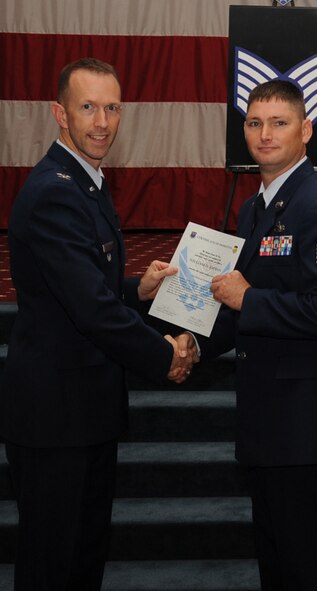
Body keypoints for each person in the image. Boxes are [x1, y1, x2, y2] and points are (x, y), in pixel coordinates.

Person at [0, 57, 196, 591]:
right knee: (52, 563)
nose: (102, 121)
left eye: (111, 108)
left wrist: (139, 289)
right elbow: (89, 309)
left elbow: (86, 288)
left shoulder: (85, 182)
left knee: (83, 556)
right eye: (88, 107)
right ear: (59, 113)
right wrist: (165, 355)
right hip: (54, 415)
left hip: (82, 409)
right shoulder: (55, 191)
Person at [199, 79, 317, 590]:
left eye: (279, 122)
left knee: (309, 570)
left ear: (305, 130)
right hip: (271, 428)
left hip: (309, 433)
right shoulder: (254, 209)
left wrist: (248, 298)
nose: (265, 134)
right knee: (279, 569)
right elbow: (239, 311)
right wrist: (190, 344)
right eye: (254, 123)